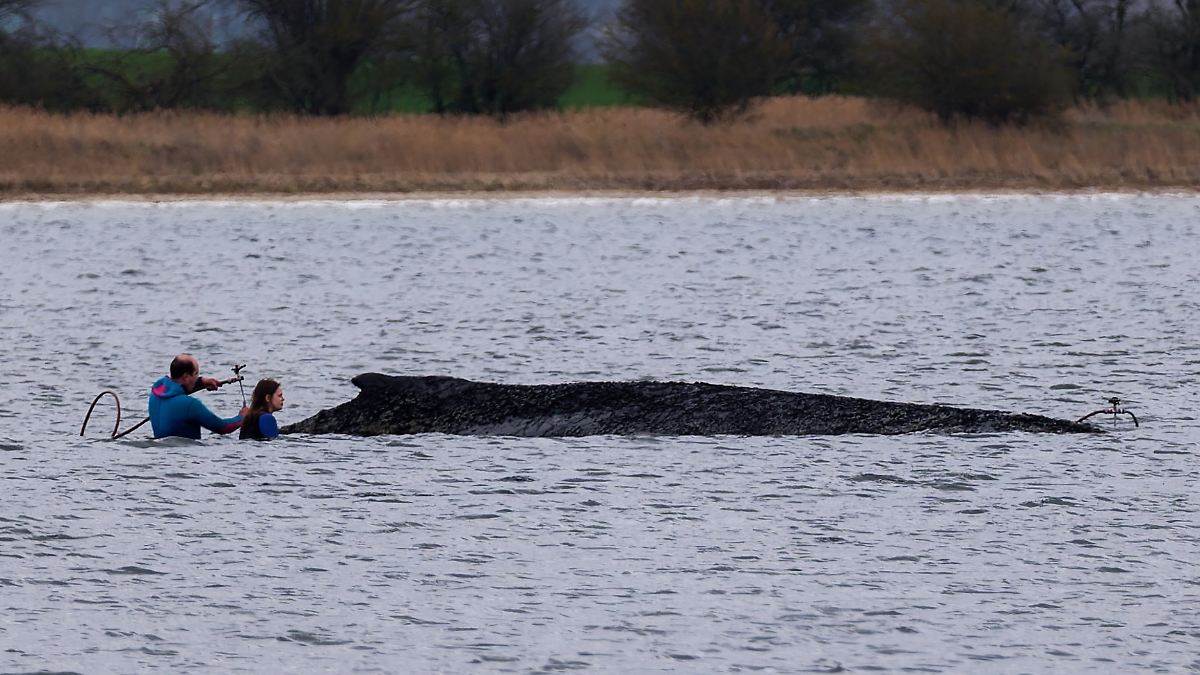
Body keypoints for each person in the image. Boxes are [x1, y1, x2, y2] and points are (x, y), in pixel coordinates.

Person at [148, 354, 248, 439]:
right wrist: (242, 418)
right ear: (186, 376)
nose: (197, 377)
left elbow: (172, 383)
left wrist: (201, 381)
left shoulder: (155, 393)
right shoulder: (189, 405)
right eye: (196, 374)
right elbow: (223, 427)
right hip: (185, 458)